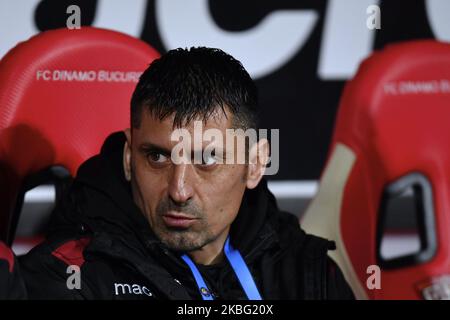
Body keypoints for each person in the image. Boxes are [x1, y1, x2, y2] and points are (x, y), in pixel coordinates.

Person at [20, 47, 354, 299]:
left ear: (254, 164)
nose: (179, 191)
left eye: (207, 160)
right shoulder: (69, 277)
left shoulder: (308, 272)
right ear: (127, 156)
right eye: (157, 157)